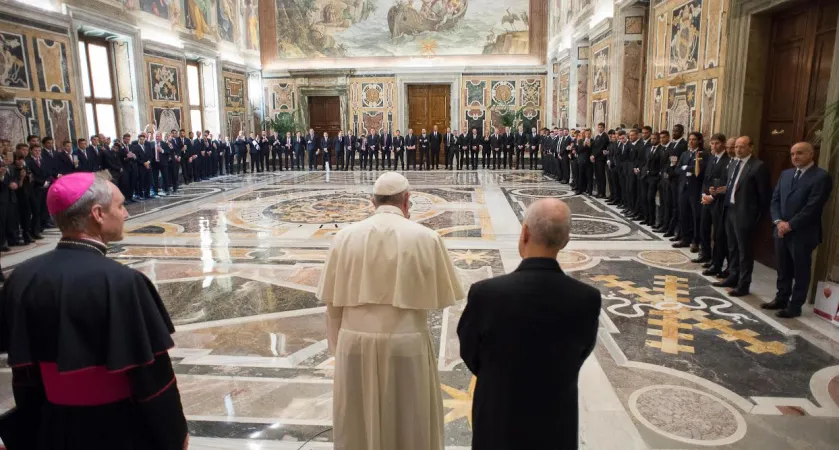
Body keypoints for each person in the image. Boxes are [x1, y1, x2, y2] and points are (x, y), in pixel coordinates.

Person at [0, 172, 188, 449]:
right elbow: (153, 380)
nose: (125, 214)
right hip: (118, 429)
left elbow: (23, 373)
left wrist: (31, 429)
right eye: (120, 206)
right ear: (98, 214)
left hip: (51, 426)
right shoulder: (124, 282)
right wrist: (174, 436)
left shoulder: (22, 277)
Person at [317, 172, 464, 450]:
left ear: (372, 201)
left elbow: (332, 308)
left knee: (358, 426)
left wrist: (340, 352)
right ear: (407, 201)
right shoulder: (427, 237)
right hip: (406, 345)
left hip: (353, 345)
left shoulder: (344, 237)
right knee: (410, 424)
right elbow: (444, 300)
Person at [458, 198, 601, 450]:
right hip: (555, 420)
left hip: (498, 416)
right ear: (566, 241)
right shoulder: (587, 298)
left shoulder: (486, 293)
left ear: (524, 233)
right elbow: (581, 351)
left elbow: (470, 353)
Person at [766, 142, 833, 318]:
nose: (795, 157)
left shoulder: (821, 177)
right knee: (783, 267)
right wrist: (779, 221)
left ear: (811, 154)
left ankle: (795, 306)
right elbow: (775, 200)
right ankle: (781, 298)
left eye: (800, 153)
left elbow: (813, 206)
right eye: (792, 154)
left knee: (800, 269)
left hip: (803, 233)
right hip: (781, 230)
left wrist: (790, 225)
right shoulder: (786, 174)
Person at [713, 136, 771, 297]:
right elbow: (732, 187)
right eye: (736, 147)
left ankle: (743, 284)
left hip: (745, 215)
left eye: (742, 147)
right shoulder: (733, 164)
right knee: (732, 247)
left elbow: (763, 196)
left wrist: (756, 218)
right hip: (730, 210)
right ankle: (733, 276)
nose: (738, 150)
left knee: (745, 251)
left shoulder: (758, 167)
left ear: (751, 148)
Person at [698, 134, 731, 273]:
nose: (714, 146)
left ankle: (716, 262)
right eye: (712, 144)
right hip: (707, 199)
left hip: (718, 201)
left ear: (723, 144)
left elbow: (725, 181)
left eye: (717, 143)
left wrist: (713, 196)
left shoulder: (727, 160)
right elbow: (706, 179)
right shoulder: (711, 158)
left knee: (717, 233)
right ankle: (706, 254)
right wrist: (705, 194)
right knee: (704, 227)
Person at [672, 132, 707, 253]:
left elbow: (700, 171)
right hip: (683, 188)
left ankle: (695, 241)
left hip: (695, 189)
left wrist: (685, 168)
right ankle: (685, 238)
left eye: (693, 140)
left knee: (695, 216)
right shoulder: (685, 154)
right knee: (683, 214)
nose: (691, 142)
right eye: (690, 139)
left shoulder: (702, 154)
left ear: (699, 141)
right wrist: (686, 168)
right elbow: (677, 169)